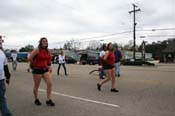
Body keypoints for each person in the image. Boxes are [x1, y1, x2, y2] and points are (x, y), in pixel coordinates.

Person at [28, 37, 55, 106]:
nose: (45, 42)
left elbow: (49, 59)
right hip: (37, 69)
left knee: (50, 83)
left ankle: (48, 100)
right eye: (43, 41)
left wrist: (49, 66)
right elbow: (29, 58)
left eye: (46, 41)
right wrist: (33, 64)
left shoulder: (48, 50)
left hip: (45, 69)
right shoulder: (37, 50)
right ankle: (36, 99)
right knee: (36, 86)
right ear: (40, 42)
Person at [0, 36, 13, 116]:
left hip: (1, 80)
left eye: (1, 41)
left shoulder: (2, 53)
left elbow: (5, 66)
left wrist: (8, 77)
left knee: (2, 99)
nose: (1, 42)